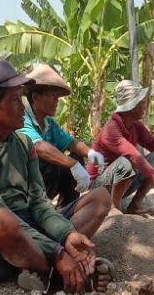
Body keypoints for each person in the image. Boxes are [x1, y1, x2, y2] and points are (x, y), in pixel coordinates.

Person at [0, 61, 111, 293]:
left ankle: (47, 268)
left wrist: (67, 234)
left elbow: (39, 203)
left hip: (29, 226)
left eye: (21, 99)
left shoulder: (25, 144)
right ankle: (59, 273)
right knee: (1, 221)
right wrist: (57, 251)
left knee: (101, 198)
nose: (21, 107)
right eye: (15, 100)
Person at [19, 64, 105, 208]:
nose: (57, 101)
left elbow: (71, 142)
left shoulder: (49, 124)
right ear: (35, 97)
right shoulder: (22, 119)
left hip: (44, 183)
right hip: (25, 187)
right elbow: (38, 146)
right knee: (61, 160)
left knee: (75, 156)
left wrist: (90, 153)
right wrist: (73, 164)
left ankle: (66, 209)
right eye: (53, 96)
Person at [88, 80, 154, 214]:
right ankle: (114, 207)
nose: (145, 104)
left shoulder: (135, 125)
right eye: (142, 102)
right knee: (125, 162)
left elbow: (150, 141)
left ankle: (135, 204)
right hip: (98, 188)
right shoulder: (111, 129)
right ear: (132, 107)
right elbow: (133, 155)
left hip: (120, 181)